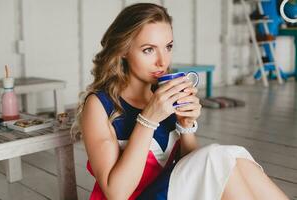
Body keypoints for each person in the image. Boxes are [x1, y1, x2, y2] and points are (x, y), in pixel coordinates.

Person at [71, 3, 289, 200]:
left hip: (169, 193)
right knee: (216, 157)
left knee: (229, 158)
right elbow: (116, 193)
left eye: (168, 47)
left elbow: (194, 167)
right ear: (124, 50)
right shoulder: (99, 105)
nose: (162, 61)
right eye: (148, 50)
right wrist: (148, 119)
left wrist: (186, 127)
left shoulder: (165, 95)